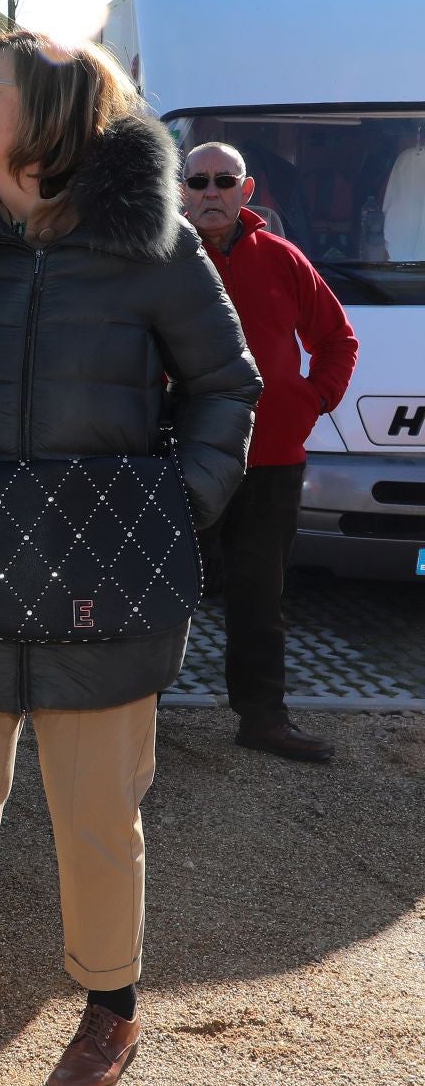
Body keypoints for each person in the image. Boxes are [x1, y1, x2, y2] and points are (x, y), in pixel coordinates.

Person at [0, 32, 258, 1086]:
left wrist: (180, 505)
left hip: (106, 591)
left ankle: (111, 1006)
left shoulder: (154, 247)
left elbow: (226, 386)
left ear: (55, 116)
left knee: (98, 818)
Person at [182, 142, 358, 762]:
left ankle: (263, 718)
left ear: (246, 190)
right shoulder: (159, 262)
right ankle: (131, 719)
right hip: (180, 458)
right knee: (159, 592)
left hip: (271, 459)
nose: (210, 191)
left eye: (223, 180)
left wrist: (311, 401)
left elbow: (337, 339)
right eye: (198, 179)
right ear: (180, 189)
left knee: (259, 597)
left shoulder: (282, 260)